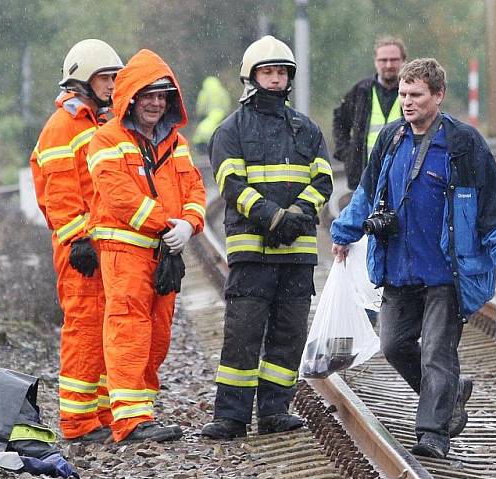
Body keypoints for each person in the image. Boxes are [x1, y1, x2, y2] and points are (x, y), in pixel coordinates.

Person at [330, 58, 496, 459]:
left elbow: (495, 209)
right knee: (394, 344)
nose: (407, 103)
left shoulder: (463, 144)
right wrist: (345, 232)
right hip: (399, 266)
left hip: (445, 272)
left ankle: (433, 433)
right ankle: (450, 394)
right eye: (402, 95)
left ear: (438, 96)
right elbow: (367, 192)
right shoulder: (391, 140)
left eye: (416, 95)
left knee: (437, 350)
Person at [200, 36, 334, 440]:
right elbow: (232, 184)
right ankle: (231, 417)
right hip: (251, 252)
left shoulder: (306, 129)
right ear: (252, 76)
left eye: (281, 73)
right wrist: (273, 217)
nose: (275, 80)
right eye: (268, 72)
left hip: (297, 252)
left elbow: (323, 177)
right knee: (242, 335)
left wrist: (298, 214)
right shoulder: (231, 130)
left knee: (288, 335)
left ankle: (276, 410)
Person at [87, 49, 207, 443]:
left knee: (157, 334)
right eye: (148, 95)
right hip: (126, 252)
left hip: (164, 253)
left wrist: (190, 225)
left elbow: (194, 188)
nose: (156, 103)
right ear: (131, 99)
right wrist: (166, 224)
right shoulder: (106, 140)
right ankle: (130, 420)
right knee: (128, 329)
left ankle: (143, 412)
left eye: (163, 96)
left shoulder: (176, 142)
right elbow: (119, 196)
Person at [29, 39, 124, 443]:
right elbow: (59, 192)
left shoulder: (100, 122)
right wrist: (77, 239)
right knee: (85, 327)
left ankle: (100, 414)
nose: (112, 86)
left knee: (105, 327)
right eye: (106, 78)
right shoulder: (63, 127)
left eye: (115, 79)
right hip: (80, 250)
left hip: (104, 245)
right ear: (83, 80)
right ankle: (78, 422)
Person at [333, 37, 407, 192]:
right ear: (375, 61)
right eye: (383, 60)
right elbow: (340, 120)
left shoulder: (412, 92)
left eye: (394, 60)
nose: (388, 65)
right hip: (365, 177)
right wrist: (348, 155)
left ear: (403, 60)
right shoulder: (361, 91)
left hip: (403, 178)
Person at [192, 76, 231, 154]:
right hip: (221, 115)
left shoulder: (204, 93)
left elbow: (200, 106)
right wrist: (226, 114)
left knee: (203, 131)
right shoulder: (222, 92)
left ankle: (203, 148)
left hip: (208, 115)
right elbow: (227, 104)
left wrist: (200, 115)